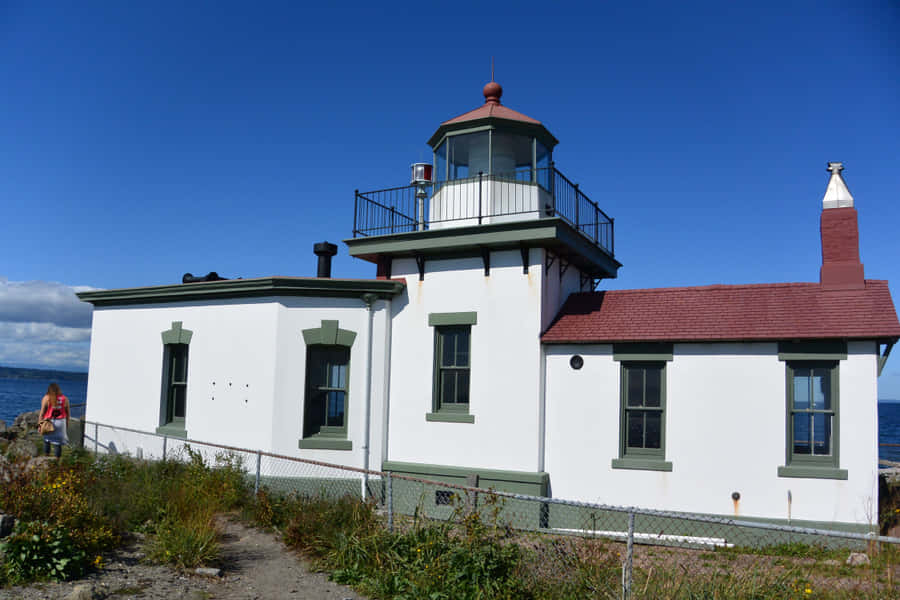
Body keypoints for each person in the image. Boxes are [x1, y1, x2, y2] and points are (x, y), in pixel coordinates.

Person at [39, 382, 69, 458]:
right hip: (61, 422)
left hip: (49, 422)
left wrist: (39, 424)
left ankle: (46, 457)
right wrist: (66, 424)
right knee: (57, 443)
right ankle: (57, 460)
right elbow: (67, 413)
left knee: (47, 440)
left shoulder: (46, 398)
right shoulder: (64, 398)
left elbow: (42, 413)